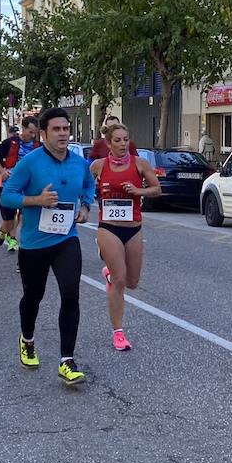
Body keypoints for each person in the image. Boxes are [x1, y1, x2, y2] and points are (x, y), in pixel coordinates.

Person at [0, 107, 96, 386]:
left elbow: (90, 186)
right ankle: (27, 339)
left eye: (66, 128)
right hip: (34, 242)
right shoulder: (30, 163)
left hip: (67, 238)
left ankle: (67, 359)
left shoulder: (79, 162)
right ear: (43, 134)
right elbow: (8, 197)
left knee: (70, 293)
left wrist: (87, 206)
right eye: (57, 129)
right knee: (33, 296)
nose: (63, 134)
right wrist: (36, 201)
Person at [90, 122, 160, 351]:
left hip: (133, 227)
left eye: (125, 139)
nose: (122, 144)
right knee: (121, 281)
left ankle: (109, 274)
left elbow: (157, 189)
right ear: (108, 144)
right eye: (117, 140)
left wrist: (139, 191)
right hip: (108, 227)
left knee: (132, 282)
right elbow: (83, 187)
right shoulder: (98, 166)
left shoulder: (140, 163)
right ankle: (118, 332)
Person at [0, 117, 40, 251]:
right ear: (23, 129)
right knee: (9, 221)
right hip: (9, 188)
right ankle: (3, 231)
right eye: (30, 132)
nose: (33, 135)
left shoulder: (38, 146)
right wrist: (1, 171)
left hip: (29, 189)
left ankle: (23, 247)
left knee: (25, 219)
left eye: (35, 133)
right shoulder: (10, 143)